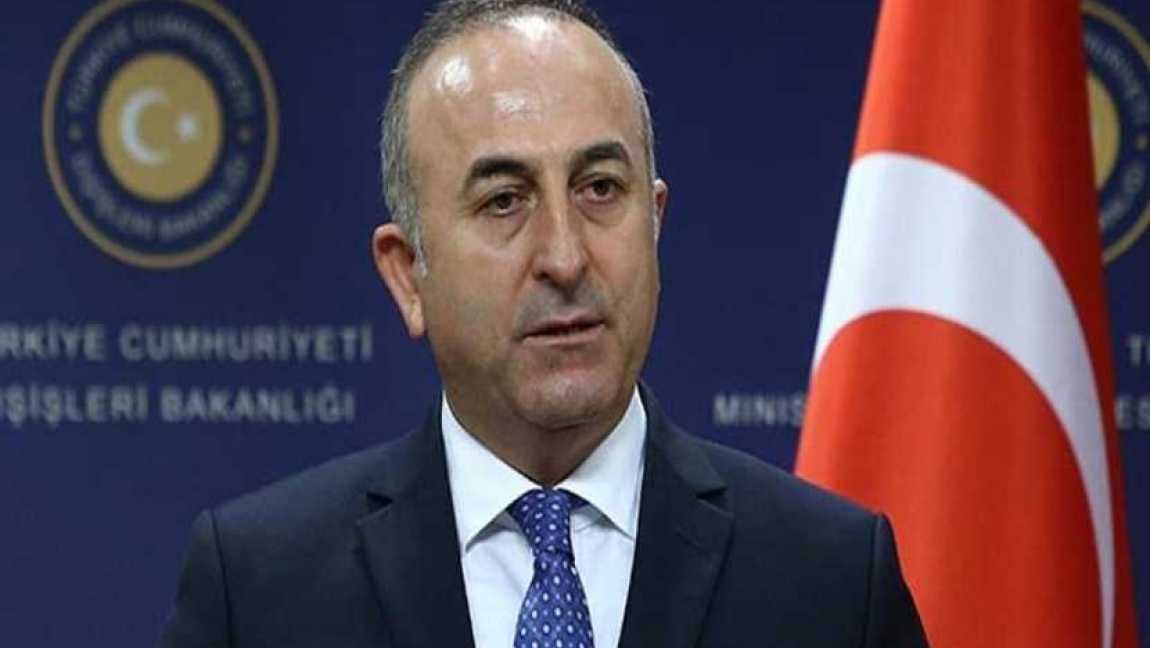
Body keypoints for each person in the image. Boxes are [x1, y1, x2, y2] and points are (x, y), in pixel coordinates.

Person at [158, 1, 928, 646]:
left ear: (654, 224)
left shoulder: (830, 580)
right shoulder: (258, 590)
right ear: (408, 274)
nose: (565, 256)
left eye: (600, 188)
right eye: (504, 200)